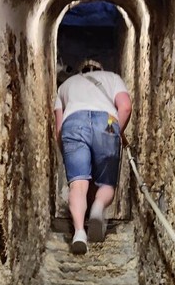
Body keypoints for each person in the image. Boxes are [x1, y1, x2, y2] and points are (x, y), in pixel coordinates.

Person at [53, 58, 132, 254]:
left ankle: (79, 231)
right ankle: (97, 208)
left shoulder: (66, 85)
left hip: (73, 123)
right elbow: (125, 107)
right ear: (100, 69)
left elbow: (59, 129)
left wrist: (66, 153)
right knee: (106, 183)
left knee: (78, 184)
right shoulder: (112, 78)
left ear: (80, 71)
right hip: (105, 121)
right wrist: (115, 133)